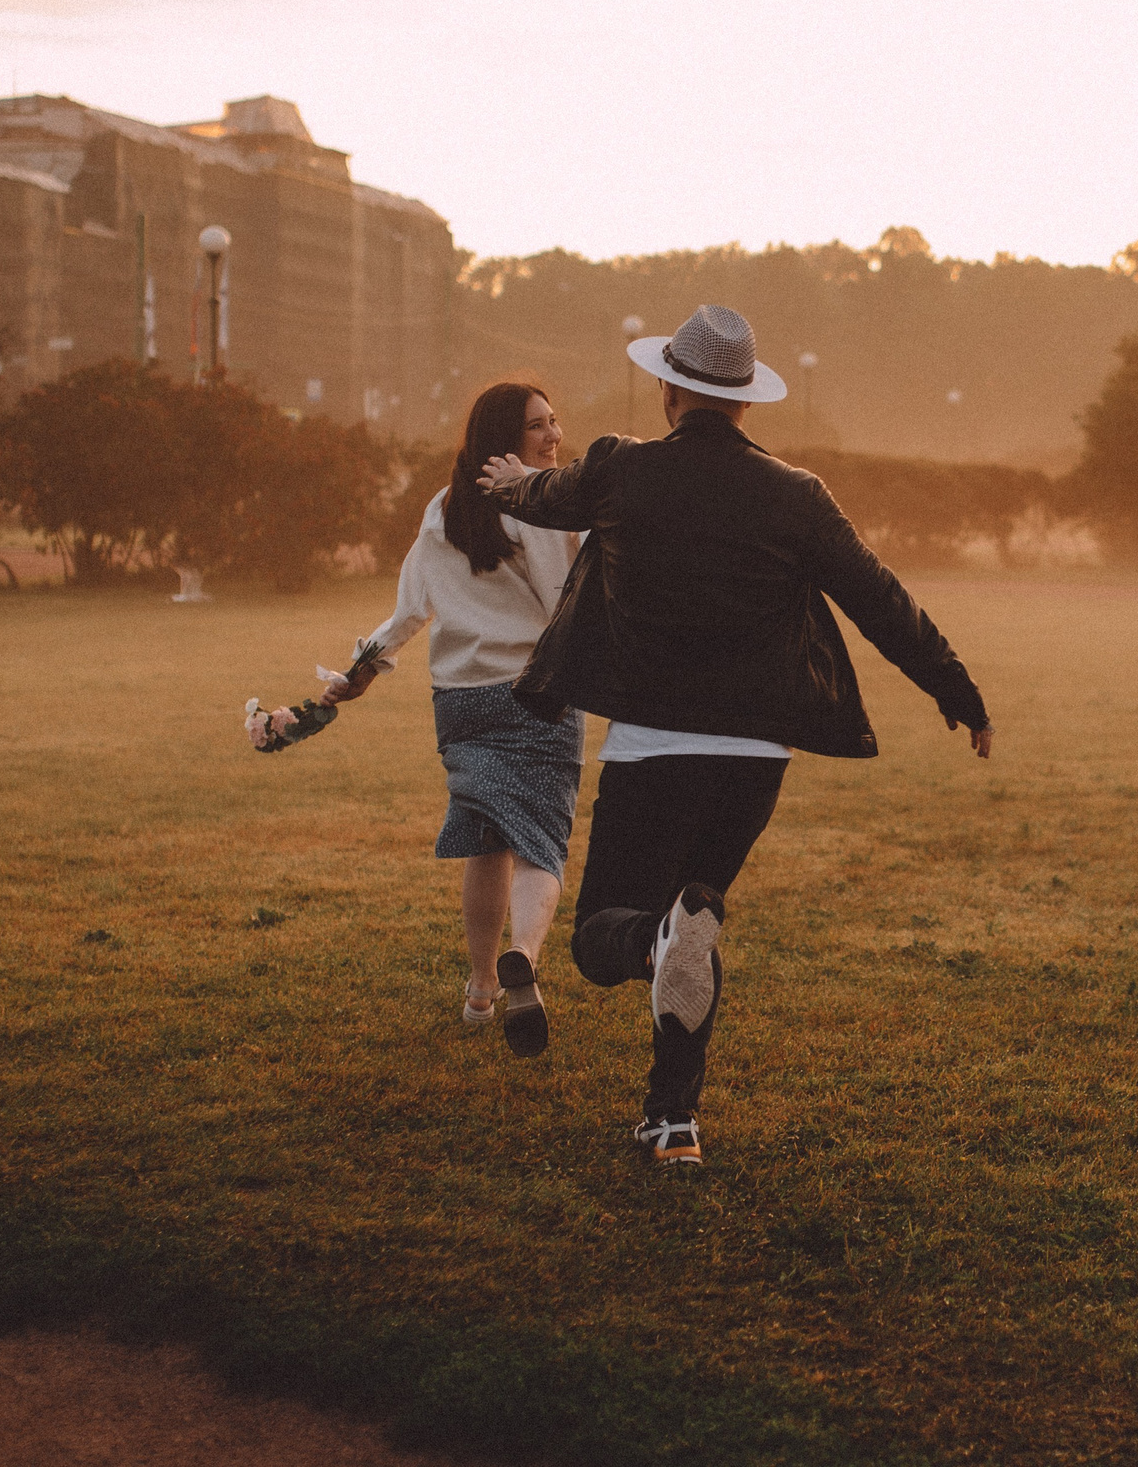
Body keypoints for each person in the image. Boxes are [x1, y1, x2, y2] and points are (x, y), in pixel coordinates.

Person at [479, 304, 992, 1166]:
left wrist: (507, 482)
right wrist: (958, 690)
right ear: (747, 401)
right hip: (754, 763)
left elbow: (548, 495)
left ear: (668, 390)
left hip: (652, 749)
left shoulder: (620, 469)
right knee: (696, 923)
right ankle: (672, 1121)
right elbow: (880, 598)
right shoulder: (798, 495)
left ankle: (656, 958)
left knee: (606, 938)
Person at [327, 381, 583, 1058]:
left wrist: (361, 669)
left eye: (554, 421)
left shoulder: (442, 508)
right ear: (505, 438)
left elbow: (410, 608)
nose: (554, 435)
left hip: (461, 701)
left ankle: (480, 990)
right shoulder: (539, 504)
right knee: (540, 841)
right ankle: (523, 955)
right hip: (536, 693)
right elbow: (565, 600)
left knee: (485, 839)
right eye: (538, 425)